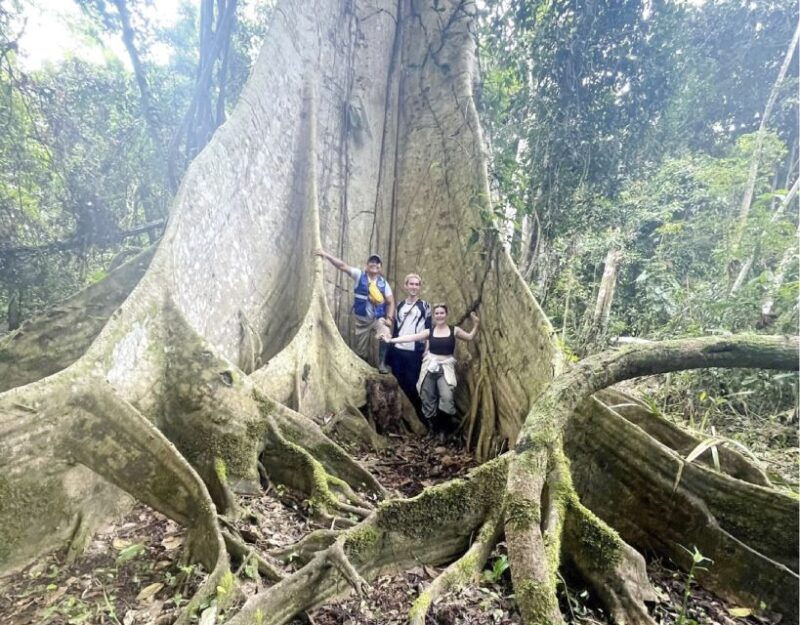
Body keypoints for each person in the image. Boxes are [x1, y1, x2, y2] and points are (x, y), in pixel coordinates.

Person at [382, 304, 479, 432]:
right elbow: (411, 337)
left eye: (442, 313)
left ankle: (444, 430)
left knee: (447, 397)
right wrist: (391, 340)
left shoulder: (453, 330)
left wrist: (476, 324)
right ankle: (434, 428)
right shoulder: (430, 331)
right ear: (434, 316)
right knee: (427, 397)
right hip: (429, 366)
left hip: (446, 367)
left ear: (446, 314)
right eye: (437, 313)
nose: (439, 316)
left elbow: (469, 337)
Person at [314, 248, 395, 373]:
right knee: (361, 352)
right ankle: (363, 368)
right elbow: (342, 266)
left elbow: (391, 302)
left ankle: (382, 364)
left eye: (377, 262)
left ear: (380, 267)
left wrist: (389, 318)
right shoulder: (359, 275)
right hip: (362, 320)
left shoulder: (384, 284)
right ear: (366, 265)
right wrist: (326, 255)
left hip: (378, 319)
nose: (374, 264)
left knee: (385, 334)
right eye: (371, 262)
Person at [389, 273, 431, 414]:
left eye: (417, 284)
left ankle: (420, 416)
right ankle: (402, 415)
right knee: (398, 382)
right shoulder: (400, 305)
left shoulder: (424, 305)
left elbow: (428, 329)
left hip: (415, 352)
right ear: (406, 286)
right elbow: (396, 328)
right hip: (398, 351)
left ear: (419, 287)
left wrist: (427, 349)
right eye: (411, 284)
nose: (414, 287)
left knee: (413, 384)